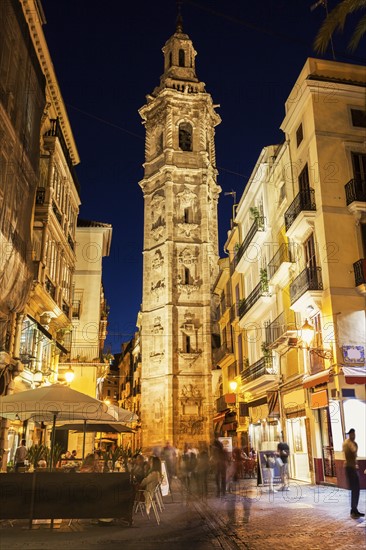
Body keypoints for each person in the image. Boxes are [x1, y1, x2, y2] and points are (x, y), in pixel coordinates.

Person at [343, 428, 365, 519]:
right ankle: (353, 510)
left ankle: (355, 509)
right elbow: (350, 454)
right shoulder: (346, 444)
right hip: (349, 468)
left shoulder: (355, 444)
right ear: (350, 434)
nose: (354, 436)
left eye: (354, 434)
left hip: (354, 467)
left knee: (357, 489)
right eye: (352, 434)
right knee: (354, 489)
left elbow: (355, 455)